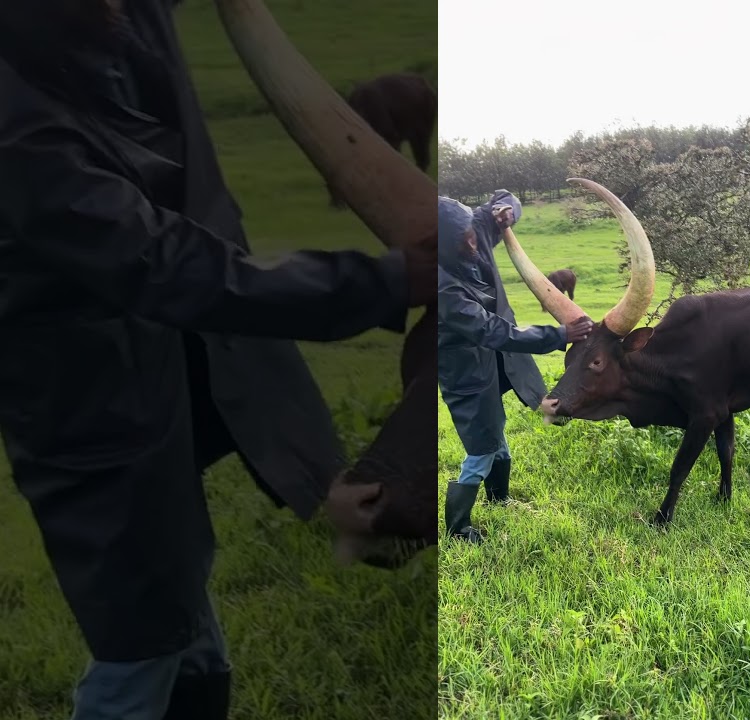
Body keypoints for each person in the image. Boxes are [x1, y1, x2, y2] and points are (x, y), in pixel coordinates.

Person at [0, 2, 433, 719]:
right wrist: (389, 280)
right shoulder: (15, 120)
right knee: (139, 650)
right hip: (91, 401)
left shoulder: (112, 16)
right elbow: (160, 263)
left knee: (180, 608)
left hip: (182, 370)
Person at [437, 193, 593, 544]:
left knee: (497, 429)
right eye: (465, 243)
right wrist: (559, 334)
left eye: (474, 236)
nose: (474, 244)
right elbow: (489, 329)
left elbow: (504, 200)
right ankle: (458, 529)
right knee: (481, 445)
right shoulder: (441, 286)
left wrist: (508, 210)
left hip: (498, 360)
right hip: (466, 370)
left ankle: (499, 498)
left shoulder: (470, 227)